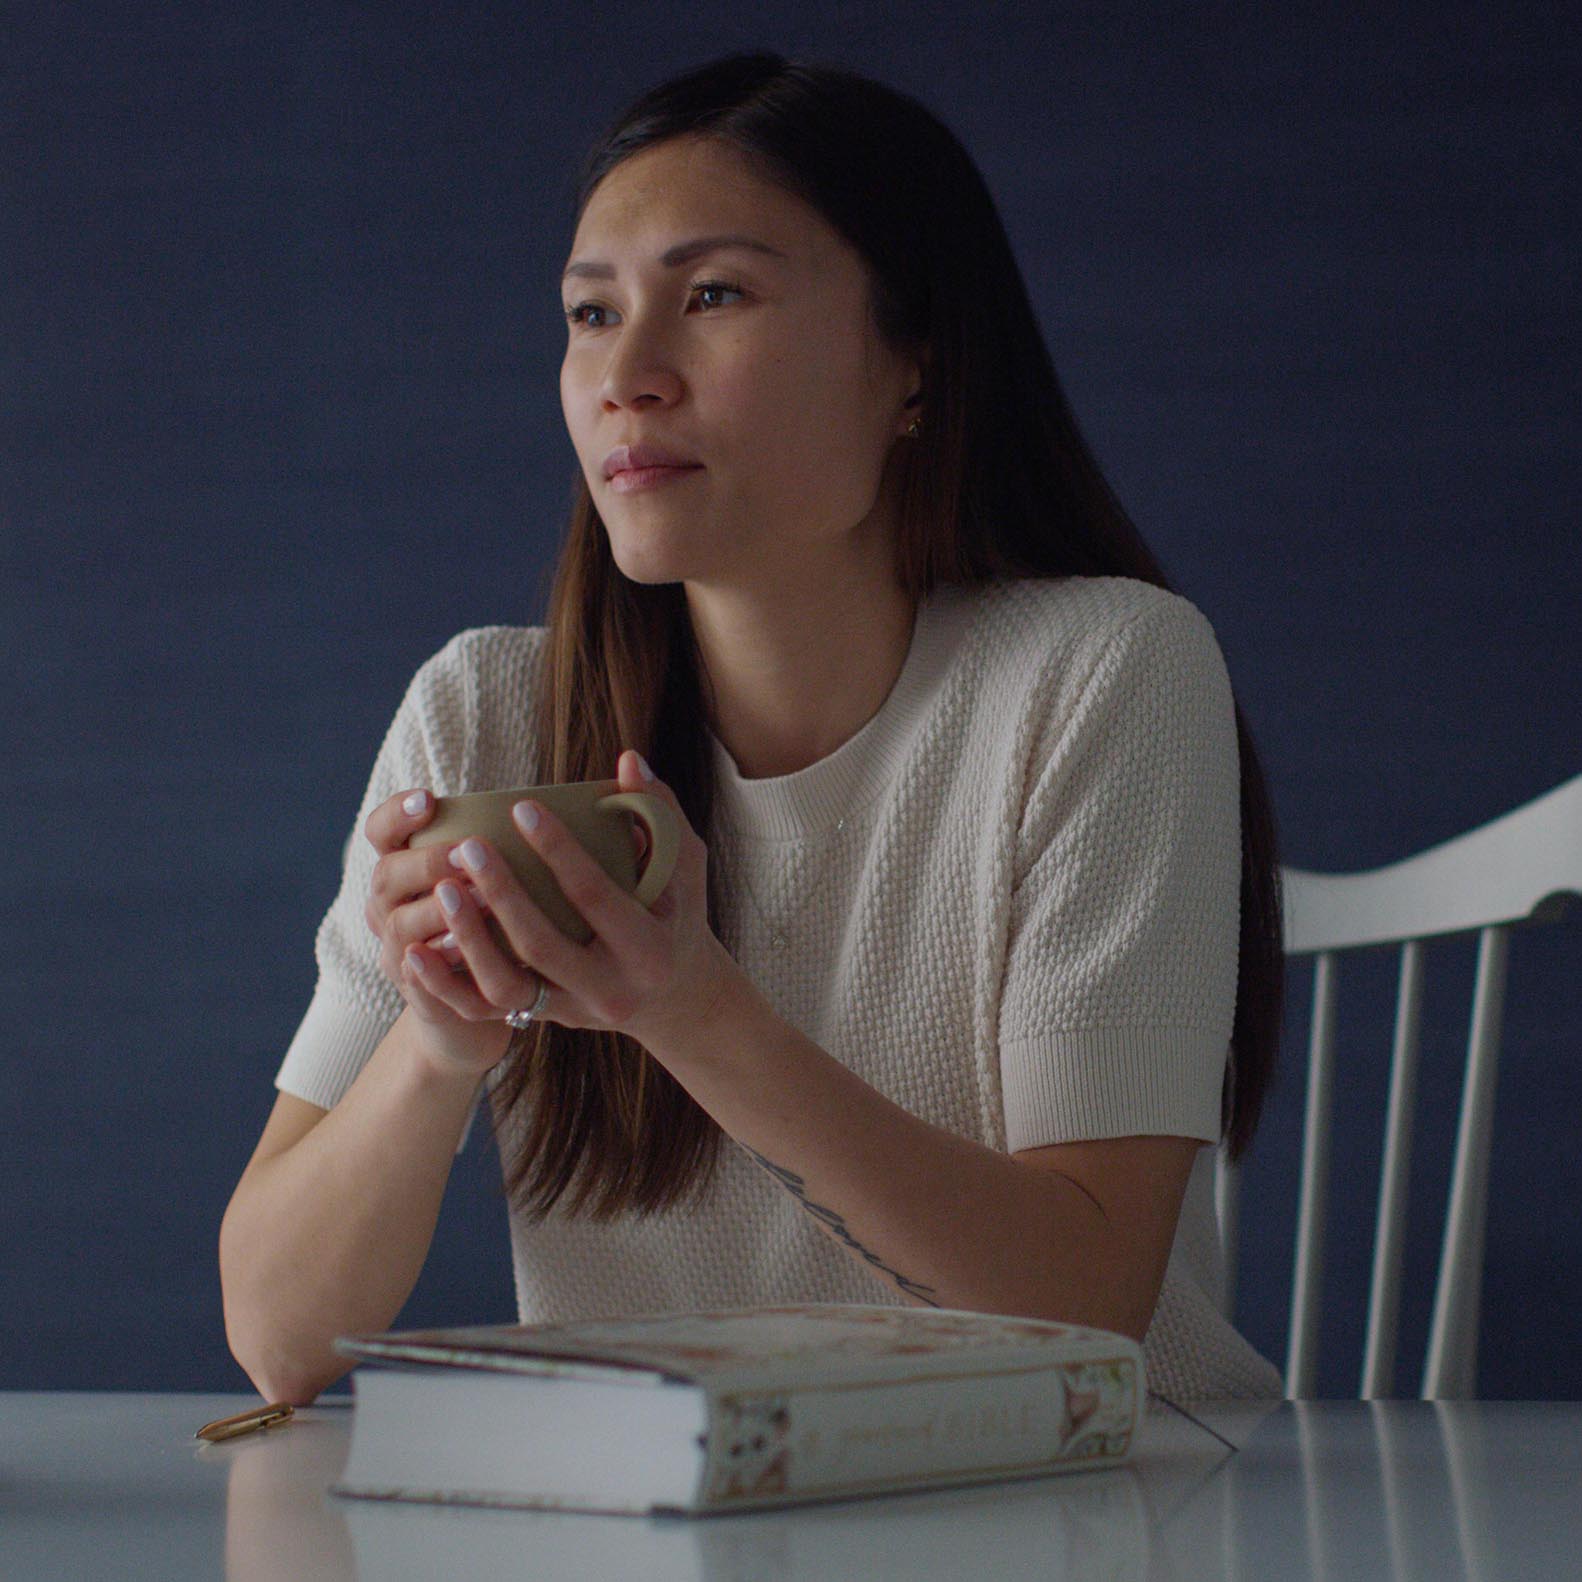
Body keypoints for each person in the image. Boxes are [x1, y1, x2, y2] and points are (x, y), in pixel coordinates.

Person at [219, 51, 1286, 1406]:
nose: (628, 375)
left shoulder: (1103, 671)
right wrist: (437, 1043)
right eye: (590, 314)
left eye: (714, 294)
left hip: (1104, 1492)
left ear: (916, 360)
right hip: (685, 1502)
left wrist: (687, 1008)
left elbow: (1085, 1307)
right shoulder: (485, 712)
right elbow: (276, 1337)